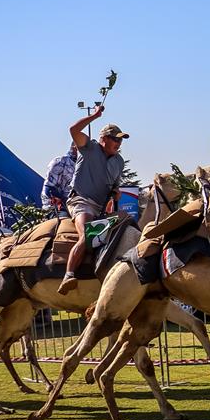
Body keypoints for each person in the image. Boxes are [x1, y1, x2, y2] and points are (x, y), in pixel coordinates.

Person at [57, 105, 128, 295]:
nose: (118, 143)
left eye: (120, 140)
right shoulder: (89, 148)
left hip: (100, 208)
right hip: (81, 202)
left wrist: (116, 193)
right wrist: (95, 115)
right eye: (115, 139)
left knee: (126, 223)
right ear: (103, 139)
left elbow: (114, 186)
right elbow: (73, 130)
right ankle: (69, 275)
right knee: (88, 235)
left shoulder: (119, 162)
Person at [41, 142, 78, 214]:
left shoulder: (85, 166)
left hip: (78, 207)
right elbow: (49, 189)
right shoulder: (60, 162)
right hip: (56, 207)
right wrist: (68, 202)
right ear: (74, 147)